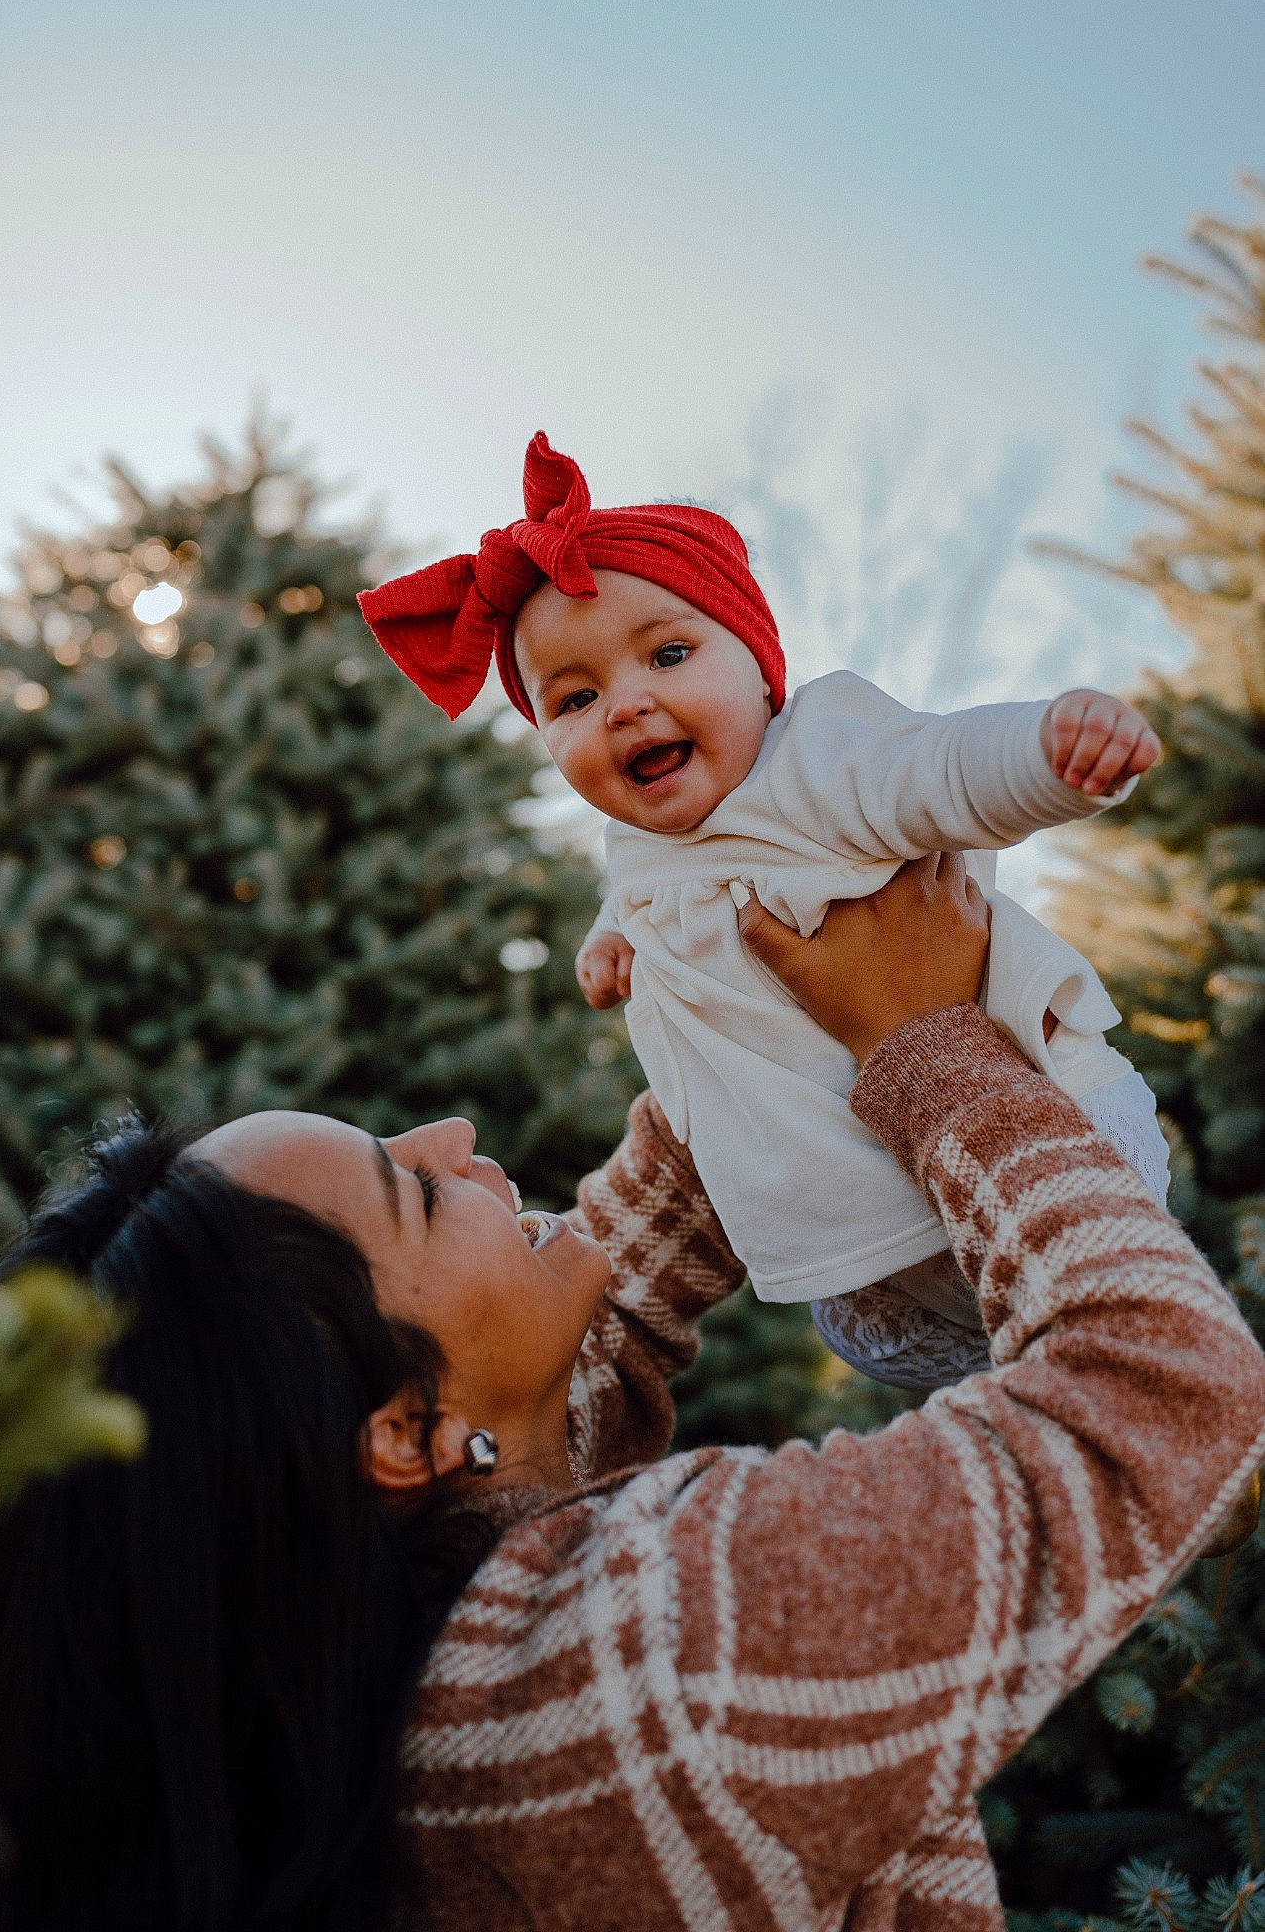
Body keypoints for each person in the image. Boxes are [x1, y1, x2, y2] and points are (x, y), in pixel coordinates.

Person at [0, 855, 1261, 1932]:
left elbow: (631, 1255)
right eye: (416, 1189)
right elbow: (1163, 1385)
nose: (459, 1139)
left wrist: (722, 972)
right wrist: (923, 1039)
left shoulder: (385, 1649)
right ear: (399, 1435)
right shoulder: (649, 1660)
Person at [358, 432, 1168, 1388]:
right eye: (572, 699)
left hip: (1027, 1125)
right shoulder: (638, 841)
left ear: (758, 667)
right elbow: (635, 891)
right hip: (847, 1215)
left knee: (1123, 1341)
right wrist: (611, 940)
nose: (626, 704)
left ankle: (1180, 1417)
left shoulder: (822, 757)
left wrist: (1048, 755)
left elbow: (945, 768)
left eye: (666, 653)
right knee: (1005, 1373)